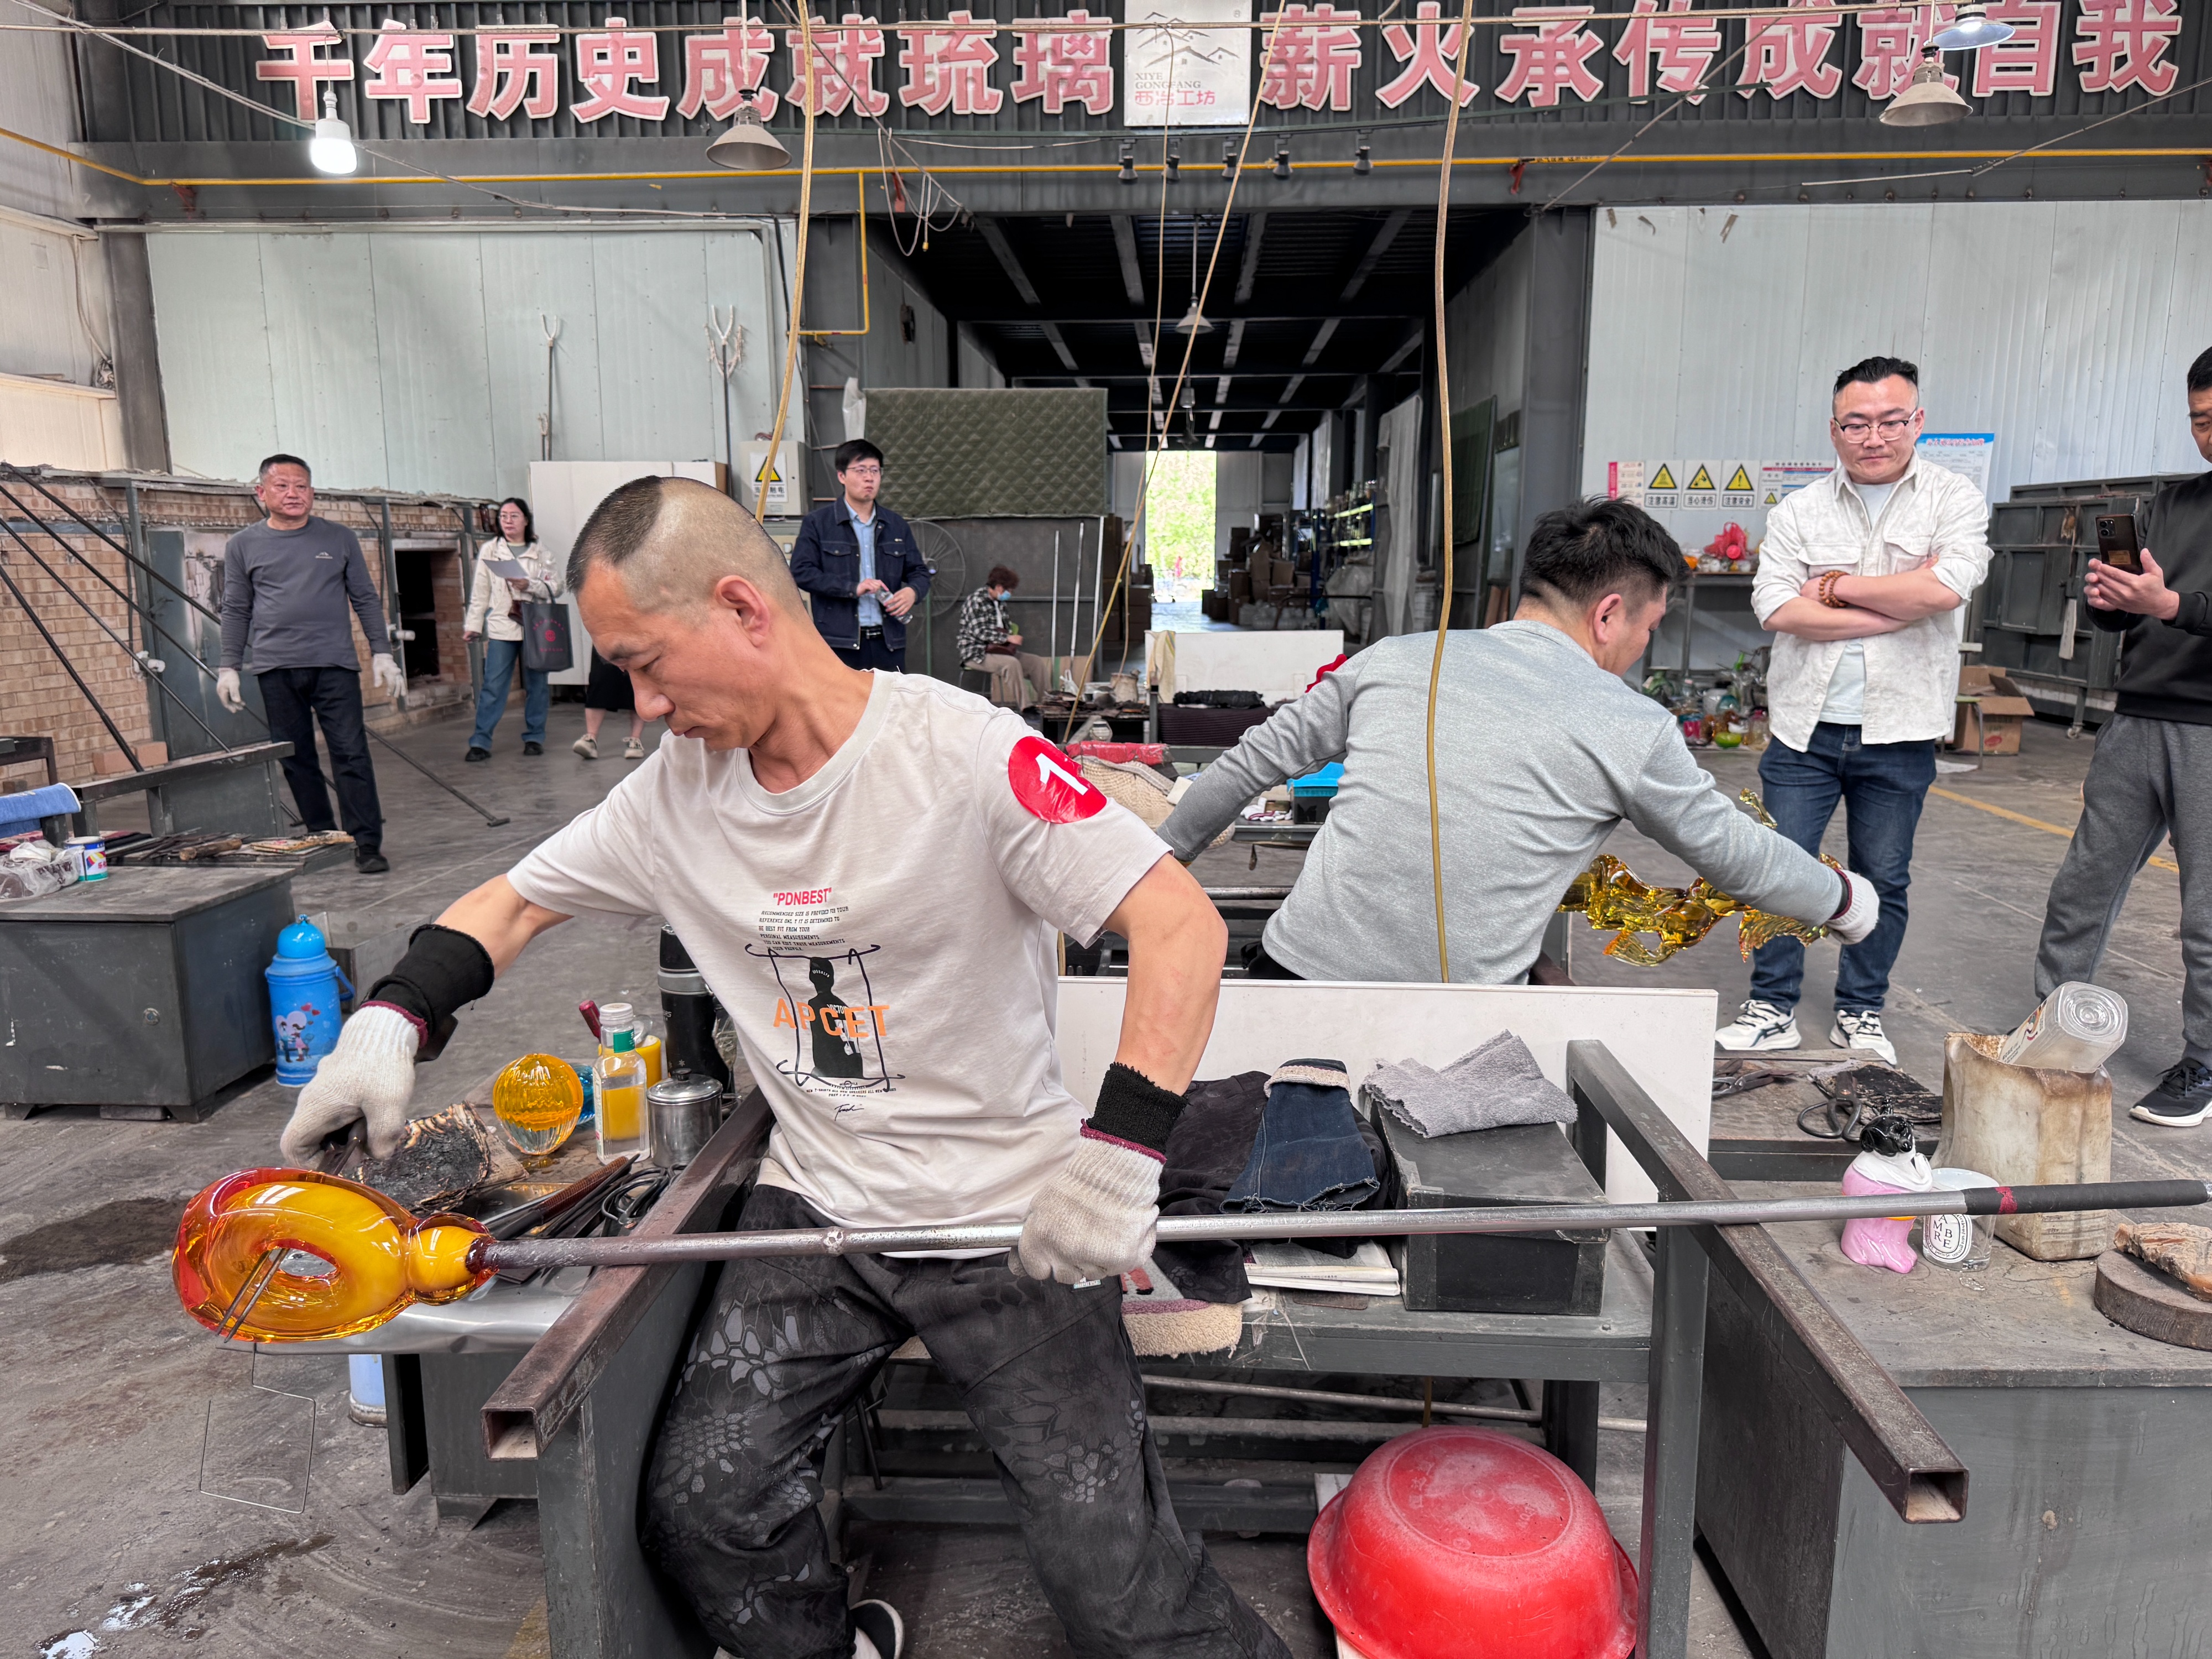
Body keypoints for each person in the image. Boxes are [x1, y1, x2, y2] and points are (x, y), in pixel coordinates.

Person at [274, 477, 1288, 1659]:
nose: (646, 708)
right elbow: (511, 904)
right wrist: (391, 1019)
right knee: (707, 1511)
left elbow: (1179, 926)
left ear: (743, 609)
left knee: (1113, 1584)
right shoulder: (669, 801)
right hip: (817, 1213)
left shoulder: (963, 755)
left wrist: (1118, 1156)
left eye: (648, 665)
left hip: (1009, 1220)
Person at [1156, 498, 1876, 983]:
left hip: (1288, 974)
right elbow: (1737, 857)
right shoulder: (1631, 725)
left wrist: (1153, 870)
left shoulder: (1393, 658)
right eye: (1649, 629)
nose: (1641, 648)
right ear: (1609, 615)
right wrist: (1842, 899)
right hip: (1448, 1027)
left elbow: (1247, 765)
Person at [1715, 356, 1991, 1065]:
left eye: (1891, 421)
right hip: (1804, 728)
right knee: (1780, 868)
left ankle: (1860, 1011)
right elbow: (1776, 607)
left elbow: (1947, 589)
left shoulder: (1953, 499)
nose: (1875, 437)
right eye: (1857, 423)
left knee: (1884, 877)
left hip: (1900, 729)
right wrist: (1897, 604)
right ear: (1834, 429)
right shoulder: (1799, 510)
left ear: (1917, 422)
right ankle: (1772, 1005)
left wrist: (1835, 588)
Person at [2032, 348, 2212, 1127]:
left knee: (2206, 916)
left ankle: (2205, 1061)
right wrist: (2111, 603)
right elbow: (2131, 607)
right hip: (2138, 717)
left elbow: (2171, 603)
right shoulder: (2171, 504)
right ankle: (2055, 1026)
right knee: (2084, 884)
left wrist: (2171, 605)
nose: (2209, 434)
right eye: (2199, 420)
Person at [216, 453, 403, 875]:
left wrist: (383, 652)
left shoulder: (339, 538)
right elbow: (236, 608)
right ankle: (324, 836)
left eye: (301, 486)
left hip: (334, 664)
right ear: (261, 493)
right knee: (297, 759)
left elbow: (365, 598)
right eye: (282, 486)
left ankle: (366, 843)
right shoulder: (243, 545)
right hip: (275, 667)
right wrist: (229, 666)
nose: (293, 494)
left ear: (312, 492)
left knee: (351, 753)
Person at [789, 439, 930, 671]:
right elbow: (801, 572)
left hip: (889, 642)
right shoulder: (818, 523)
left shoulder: (895, 525)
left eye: (875, 471)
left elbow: (920, 572)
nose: (869, 478)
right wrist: (852, 588)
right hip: (838, 643)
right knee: (838, 696)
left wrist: (913, 592)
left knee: (889, 696)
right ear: (842, 476)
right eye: (861, 470)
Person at [462, 496, 562, 760]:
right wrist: (473, 625)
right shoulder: (491, 550)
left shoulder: (541, 552)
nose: (508, 521)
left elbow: (557, 587)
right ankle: (480, 742)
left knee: (537, 686)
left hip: (536, 627)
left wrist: (529, 585)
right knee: (494, 686)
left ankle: (534, 738)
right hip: (502, 626)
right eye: (503, 516)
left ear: (526, 520)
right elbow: (480, 591)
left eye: (514, 516)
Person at [957, 564, 1051, 709]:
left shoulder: (1000, 603)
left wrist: (1011, 637)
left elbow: (1006, 628)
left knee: (1036, 663)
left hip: (1000, 650)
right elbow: (980, 632)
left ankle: (1050, 702)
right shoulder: (975, 602)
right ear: (999, 587)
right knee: (1011, 664)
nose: (1010, 594)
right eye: (1009, 591)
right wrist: (1007, 638)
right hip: (977, 653)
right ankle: (1027, 708)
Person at [572, 648, 646, 760]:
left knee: (638, 683)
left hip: (640, 640)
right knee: (599, 681)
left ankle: (635, 740)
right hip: (607, 639)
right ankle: (591, 739)